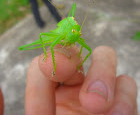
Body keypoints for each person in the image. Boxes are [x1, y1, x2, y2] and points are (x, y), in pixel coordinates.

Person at [0, 46, 138, 114]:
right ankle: (52, 61)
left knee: (86, 50)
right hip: (54, 43)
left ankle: (75, 65)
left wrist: (79, 64)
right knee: (47, 47)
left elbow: (84, 49)